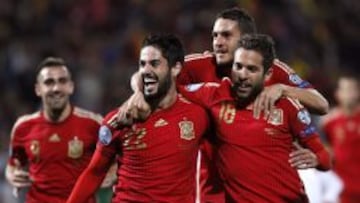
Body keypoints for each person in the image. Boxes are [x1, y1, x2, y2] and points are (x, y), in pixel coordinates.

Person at [123, 7, 330, 202]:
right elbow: (145, 75)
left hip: (268, 188)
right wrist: (139, 94)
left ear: (246, 40)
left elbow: (321, 104)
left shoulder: (274, 70)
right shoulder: (201, 65)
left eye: (226, 35)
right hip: (213, 189)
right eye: (215, 35)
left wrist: (283, 89)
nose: (218, 42)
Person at [178, 34, 331, 202]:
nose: (242, 75)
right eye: (238, 66)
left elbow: (324, 158)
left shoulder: (286, 106)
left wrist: (316, 159)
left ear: (267, 74)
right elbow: (170, 88)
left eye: (251, 69)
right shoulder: (213, 95)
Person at [66, 33, 210, 203]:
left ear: (176, 68)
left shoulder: (198, 115)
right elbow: (94, 172)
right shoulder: (120, 119)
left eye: (154, 64)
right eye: (142, 64)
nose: (146, 71)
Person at [5, 57, 105, 203]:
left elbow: (117, 160)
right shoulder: (23, 127)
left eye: (62, 81)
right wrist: (12, 175)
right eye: (49, 82)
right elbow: (12, 165)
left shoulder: (94, 124)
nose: (56, 88)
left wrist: (107, 176)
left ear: (71, 87)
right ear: (38, 89)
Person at [320, 73, 360, 203]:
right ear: (338, 94)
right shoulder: (328, 122)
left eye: (352, 89)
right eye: (345, 89)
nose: (349, 94)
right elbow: (325, 150)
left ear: (358, 93)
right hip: (341, 190)